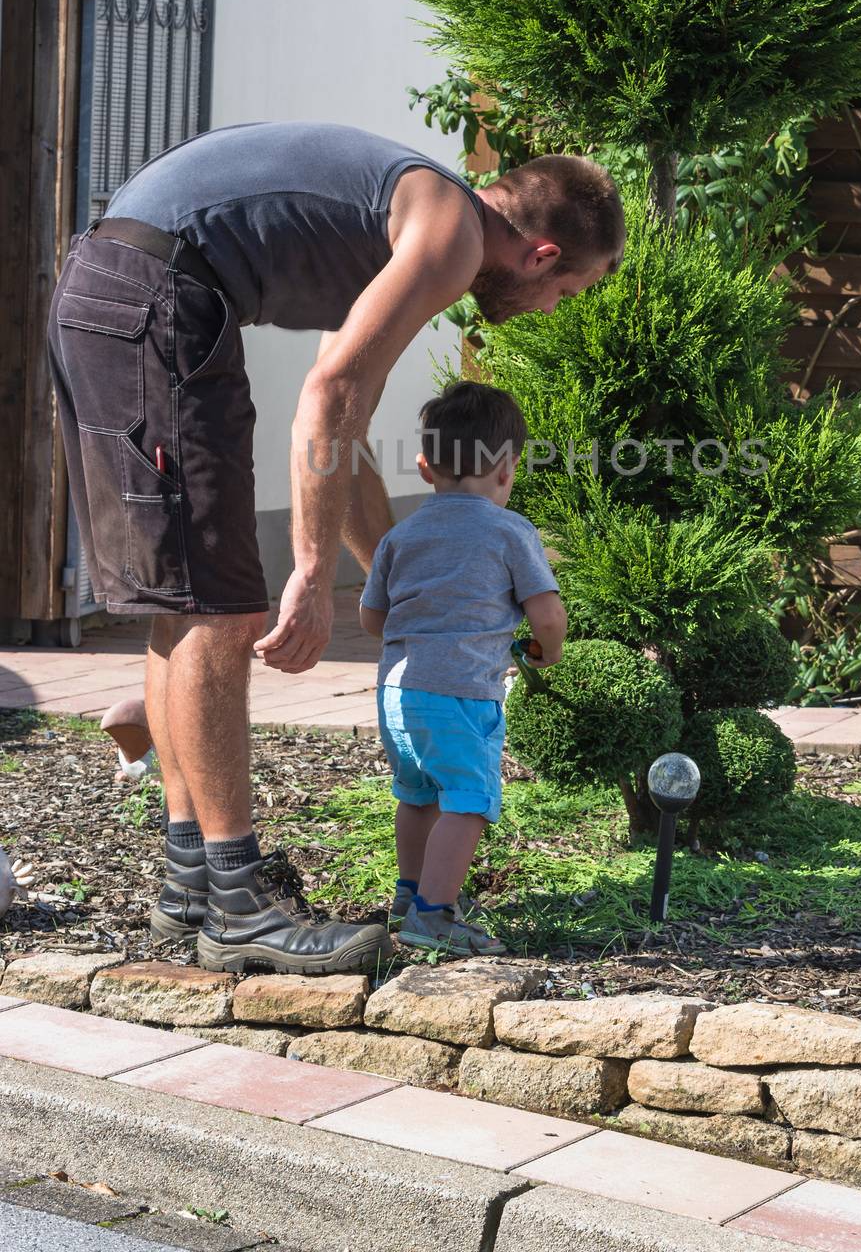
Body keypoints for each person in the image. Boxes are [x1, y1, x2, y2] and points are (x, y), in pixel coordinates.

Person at [46, 123, 624, 976]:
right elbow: (332, 393)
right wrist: (312, 573)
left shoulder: (405, 226)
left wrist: (399, 565)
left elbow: (341, 433)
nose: (551, 310)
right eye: (569, 291)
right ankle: (238, 904)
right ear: (541, 255)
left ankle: (191, 884)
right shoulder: (451, 234)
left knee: (187, 605)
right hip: (155, 293)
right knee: (221, 610)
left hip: (130, 289)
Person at [359, 379, 566, 957]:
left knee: (417, 794)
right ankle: (434, 914)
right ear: (507, 469)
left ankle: (410, 893)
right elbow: (547, 612)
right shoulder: (509, 530)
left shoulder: (400, 535)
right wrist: (550, 651)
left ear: (426, 468)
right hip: (460, 693)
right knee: (468, 800)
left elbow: (372, 618)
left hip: (396, 693)